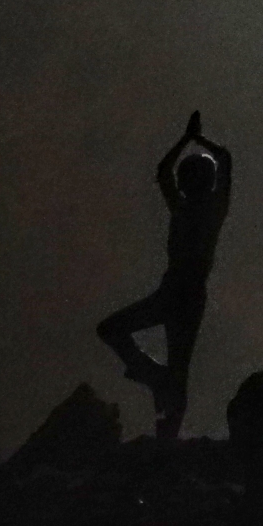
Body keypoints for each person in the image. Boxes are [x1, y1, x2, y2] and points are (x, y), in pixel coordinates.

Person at [97, 111, 232, 440]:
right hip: (174, 291)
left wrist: (191, 139)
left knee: (175, 368)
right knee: (115, 331)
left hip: (184, 294)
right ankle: (156, 386)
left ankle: (166, 430)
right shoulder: (189, 209)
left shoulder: (209, 210)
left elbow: (218, 161)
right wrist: (192, 140)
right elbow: (165, 172)